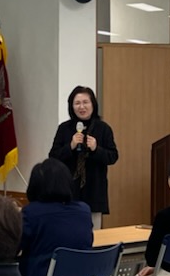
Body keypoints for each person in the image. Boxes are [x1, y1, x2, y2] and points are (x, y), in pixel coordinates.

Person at [48, 85, 118, 228]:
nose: (82, 107)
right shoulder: (64, 128)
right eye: (77, 103)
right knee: (68, 231)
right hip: (68, 191)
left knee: (94, 234)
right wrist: (71, 146)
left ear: (93, 104)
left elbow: (113, 157)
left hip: (94, 190)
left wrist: (96, 149)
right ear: (71, 106)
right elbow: (53, 157)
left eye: (86, 102)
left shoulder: (103, 128)